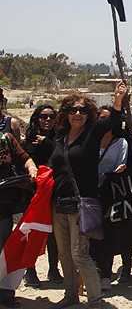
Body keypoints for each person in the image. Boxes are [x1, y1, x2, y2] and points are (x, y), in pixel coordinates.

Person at [49, 81, 126, 309]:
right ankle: (71, 295)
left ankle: (95, 300)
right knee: (64, 255)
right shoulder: (59, 137)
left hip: (81, 203)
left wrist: (118, 100)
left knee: (80, 255)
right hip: (58, 204)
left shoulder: (92, 134)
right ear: (66, 113)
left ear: (88, 114)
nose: (78, 114)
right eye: (73, 110)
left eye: (83, 110)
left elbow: (112, 120)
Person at [21, 105, 63, 287]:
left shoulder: (59, 138)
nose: (47, 120)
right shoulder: (27, 140)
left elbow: (63, 158)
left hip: (54, 191)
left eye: (51, 116)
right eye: (43, 116)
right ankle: (30, 272)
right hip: (33, 193)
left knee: (54, 234)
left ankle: (53, 269)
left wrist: (48, 143)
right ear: (36, 118)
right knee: (33, 232)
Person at [90, 106, 130, 291]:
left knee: (105, 236)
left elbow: (120, 167)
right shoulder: (89, 140)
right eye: (99, 117)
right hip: (89, 194)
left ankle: (105, 275)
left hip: (109, 196)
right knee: (89, 236)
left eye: (106, 118)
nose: (102, 121)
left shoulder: (121, 143)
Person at [0, 129, 37, 308]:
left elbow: (24, 157)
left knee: (5, 249)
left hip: (4, 204)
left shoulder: (6, 137)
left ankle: (5, 293)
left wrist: (32, 167)